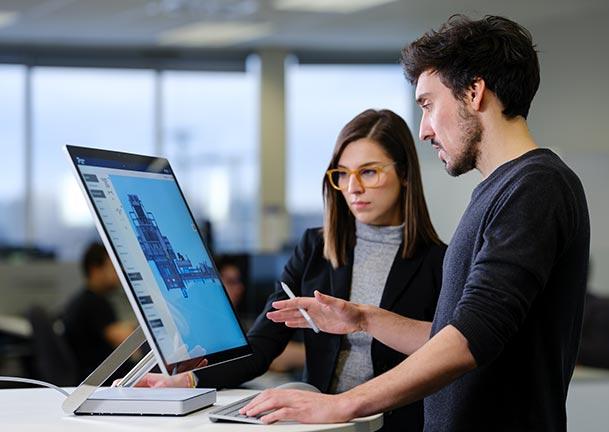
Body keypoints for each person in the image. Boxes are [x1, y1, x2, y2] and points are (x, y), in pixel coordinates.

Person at [244, 15, 591, 432]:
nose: (424, 130)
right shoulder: (498, 190)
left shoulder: (536, 187)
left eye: (428, 104)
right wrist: (363, 319)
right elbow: (449, 333)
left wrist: (343, 405)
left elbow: (470, 338)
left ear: (474, 91)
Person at [133, 109, 446, 432]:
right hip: (318, 425)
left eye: (369, 172)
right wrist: (188, 380)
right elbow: (263, 344)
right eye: (342, 173)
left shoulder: (439, 262)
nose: (353, 187)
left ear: (405, 173)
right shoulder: (315, 249)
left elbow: (444, 355)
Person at [62, 242, 136, 381]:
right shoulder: (94, 303)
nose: (118, 274)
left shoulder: (82, 299)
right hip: (103, 378)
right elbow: (126, 341)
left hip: (91, 373)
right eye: (112, 267)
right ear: (95, 270)